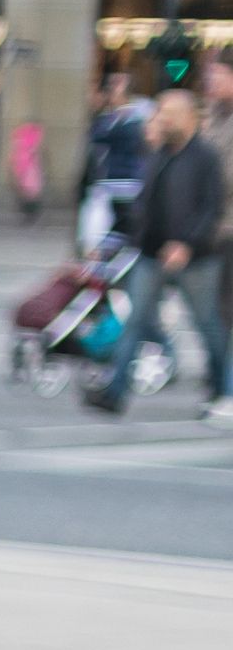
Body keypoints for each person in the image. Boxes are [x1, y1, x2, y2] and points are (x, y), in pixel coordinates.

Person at [85, 86, 228, 420]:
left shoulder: (205, 157)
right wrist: (126, 238)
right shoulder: (158, 154)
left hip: (195, 257)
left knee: (208, 323)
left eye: (167, 114)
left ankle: (221, 387)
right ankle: (115, 391)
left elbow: (212, 207)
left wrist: (187, 243)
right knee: (136, 320)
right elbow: (145, 203)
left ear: (187, 117)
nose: (160, 120)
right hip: (151, 252)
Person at [83, 71, 154, 251]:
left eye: (117, 86)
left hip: (130, 179)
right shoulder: (109, 117)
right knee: (113, 226)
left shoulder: (139, 114)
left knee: (125, 224)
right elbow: (96, 136)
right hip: (111, 181)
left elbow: (139, 139)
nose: (112, 91)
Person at [9, 118, 46, 226]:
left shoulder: (30, 141)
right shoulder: (23, 141)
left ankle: (30, 213)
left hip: (29, 170)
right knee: (26, 193)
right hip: (25, 169)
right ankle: (28, 213)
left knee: (30, 193)